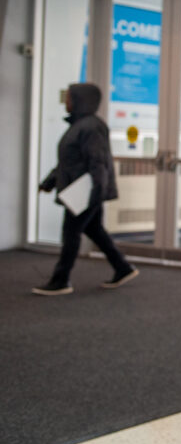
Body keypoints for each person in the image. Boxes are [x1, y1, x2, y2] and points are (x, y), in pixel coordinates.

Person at [34, 83, 138, 295]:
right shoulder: (79, 126)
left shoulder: (91, 127)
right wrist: (49, 181)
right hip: (80, 190)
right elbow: (69, 162)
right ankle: (122, 267)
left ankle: (60, 280)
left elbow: (98, 162)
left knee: (71, 233)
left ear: (82, 100)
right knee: (95, 231)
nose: (66, 101)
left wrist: (97, 193)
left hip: (85, 192)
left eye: (70, 97)